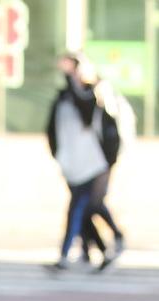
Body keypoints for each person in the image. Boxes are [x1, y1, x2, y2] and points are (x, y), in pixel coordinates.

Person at [45, 53, 124, 272]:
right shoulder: (64, 99)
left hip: (93, 164)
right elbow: (53, 130)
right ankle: (103, 248)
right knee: (86, 209)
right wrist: (58, 154)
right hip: (73, 163)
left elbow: (97, 122)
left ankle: (69, 253)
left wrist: (107, 162)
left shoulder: (94, 98)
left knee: (81, 207)